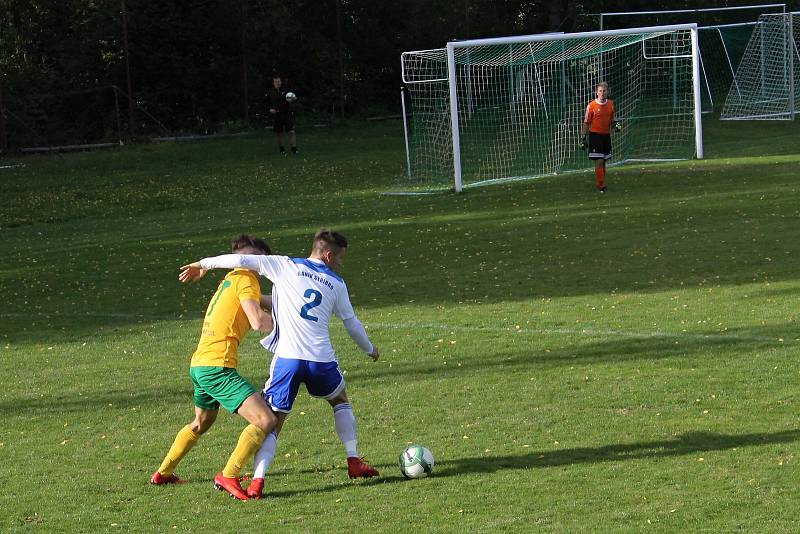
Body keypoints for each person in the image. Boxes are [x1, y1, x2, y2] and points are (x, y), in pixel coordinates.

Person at [179, 229, 381, 500]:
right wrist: (370, 348)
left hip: (287, 360)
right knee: (340, 400)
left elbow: (239, 261)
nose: (341, 263)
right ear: (329, 255)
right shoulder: (337, 283)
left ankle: (257, 481)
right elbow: (352, 324)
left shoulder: (285, 265)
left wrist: (202, 264)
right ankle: (354, 460)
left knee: (275, 419)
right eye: (340, 258)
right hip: (320, 359)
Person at [151, 235, 278, 501]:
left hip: (200, 364)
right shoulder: (246, 279)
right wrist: (289, 328)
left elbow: (265, 301)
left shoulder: (232, 279)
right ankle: (229, 475)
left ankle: (163, 473)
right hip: (217, 368)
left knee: (202, 422)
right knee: (266, 419)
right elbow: (257, 321)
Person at [580, 81, 620, 192]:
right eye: (600, 91)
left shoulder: (611, 104)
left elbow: (613, 119)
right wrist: (583, 138)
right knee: (599, 160)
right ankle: (601, 185)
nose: (602, 93)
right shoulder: (591, 105)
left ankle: (601, 182)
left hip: (606, 135)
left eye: (604, 91)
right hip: (595, 135)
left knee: (604, 161)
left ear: (607, 92)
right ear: (596, 92)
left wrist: (616, 125)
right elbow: (586, 122)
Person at [267, 74, 298, 155]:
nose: (278, 83)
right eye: (276, 81)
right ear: (273, 83)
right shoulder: (270, 92)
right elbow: (266, 103)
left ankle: (294, 149)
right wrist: (270, 109)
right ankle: (282, 150)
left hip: (287, 114)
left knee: (291, 132)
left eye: (279, 81)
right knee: (279, 133)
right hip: (277, 115)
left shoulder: (286, 90)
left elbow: (294, 99)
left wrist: (293, 99)